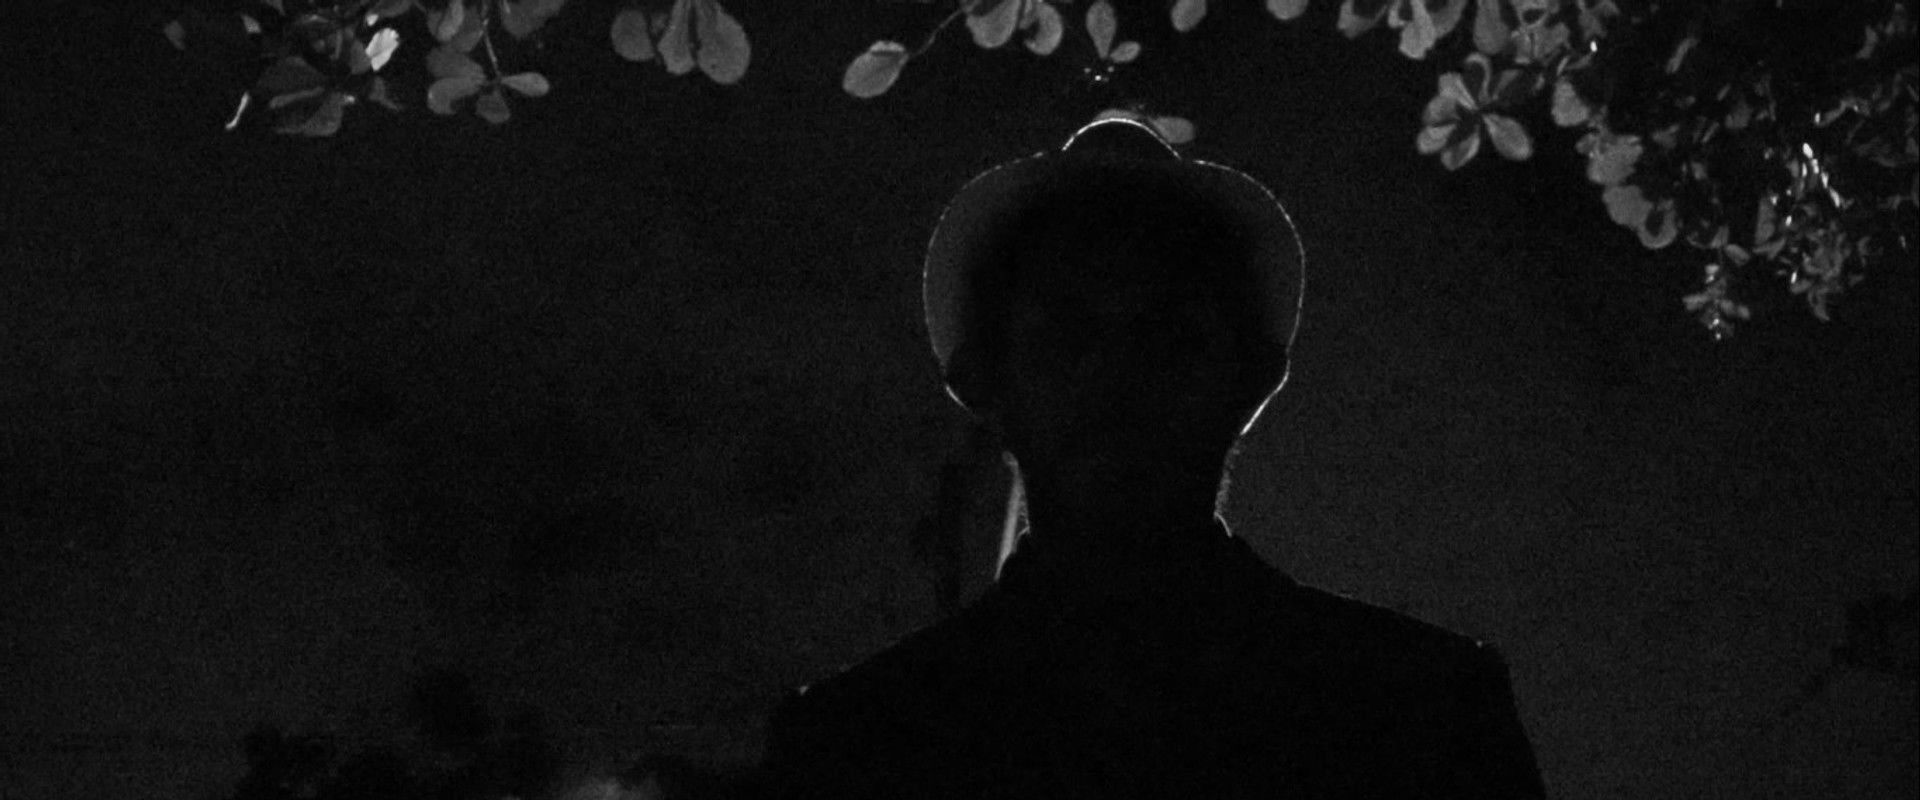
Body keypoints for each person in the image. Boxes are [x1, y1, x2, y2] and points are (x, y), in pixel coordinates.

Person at [755, 114, 1546, 799]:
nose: (1117, 375)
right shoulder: (1416, 712)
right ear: (985, 382)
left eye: (1169, 337)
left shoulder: (862, 745)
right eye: (1068, 336)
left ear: (1251, 379)